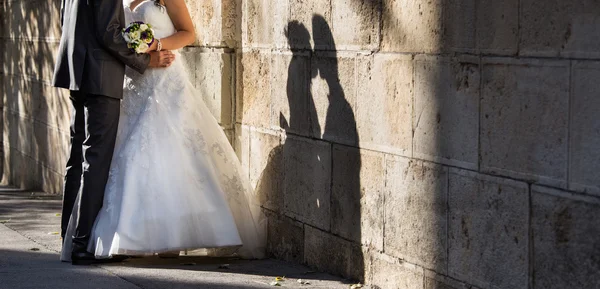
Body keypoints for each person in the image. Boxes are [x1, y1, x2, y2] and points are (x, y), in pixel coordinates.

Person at [59, 0, 266, 263]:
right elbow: (108, 32)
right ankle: (93, 238)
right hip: (131, 78)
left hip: (162, 80)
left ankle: (161, 234)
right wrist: (143, 58)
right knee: (112, 158)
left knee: (166, 153)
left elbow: (188, 32)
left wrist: (155, 46)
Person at [53, 0, 175, 265]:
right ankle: (82, 245)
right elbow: (109, 33)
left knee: (77, 159)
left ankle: (68, 237)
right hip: (100, 76)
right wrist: (145, 59)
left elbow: (66, 19)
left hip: (78, 72)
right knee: (95, 160)